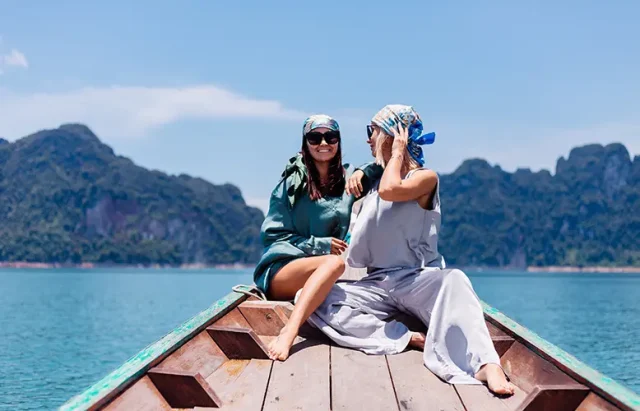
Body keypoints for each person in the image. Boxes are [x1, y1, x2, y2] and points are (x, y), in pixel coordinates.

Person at [306, 105, 515, 395]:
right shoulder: (375, 179)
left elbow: (392, 190)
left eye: (373, 131)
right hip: (376, 283)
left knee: (455, 279)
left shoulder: (425, 178)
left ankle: (486, 365)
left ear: (394, 136)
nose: (368, 139)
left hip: (415, 279)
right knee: (312, 296)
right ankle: (404, 337)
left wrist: (396, 154)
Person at [253, 114, 382, 361]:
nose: (323, 143)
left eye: (330, 137)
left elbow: (383, 165)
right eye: (315, 137)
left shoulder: (348, 182)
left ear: (338, 142)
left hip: (321, 270)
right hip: (283, 269)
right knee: (334, 263)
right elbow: (273, 237)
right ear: (305, 143)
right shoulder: (291, 185)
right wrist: (319, 245)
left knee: (335, 266)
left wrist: (363, 171)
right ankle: (290, 331)